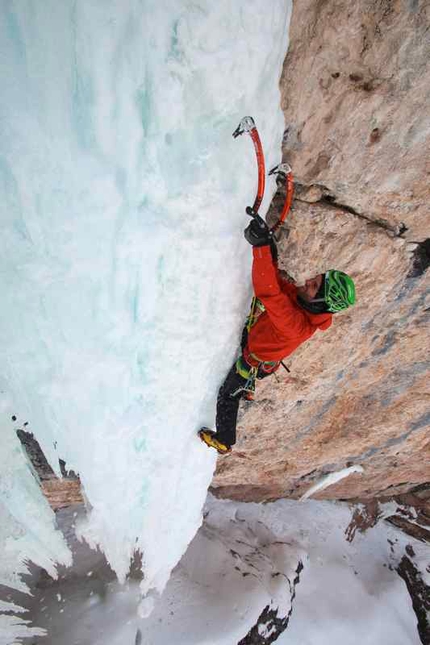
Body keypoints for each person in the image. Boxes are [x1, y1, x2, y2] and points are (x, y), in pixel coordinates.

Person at [199, 214, 356, 454]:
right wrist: (269, 248)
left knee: (228, 395)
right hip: (262, 344)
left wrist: (261, 247)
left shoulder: (296, 324)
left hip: (254, 360)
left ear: (321, 302)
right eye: (315, 278)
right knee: (262, 316)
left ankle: (224, 441)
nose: (306, 281)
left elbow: (270, 294)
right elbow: (279, 286)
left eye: (313, 286)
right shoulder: (305, 304)